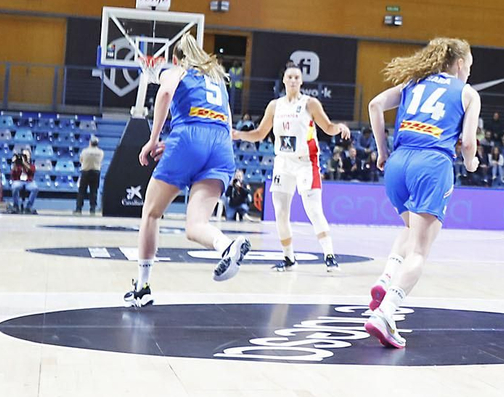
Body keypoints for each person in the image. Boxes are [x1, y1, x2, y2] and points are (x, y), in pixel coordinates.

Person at [364, 37, 482, 348]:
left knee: (408, 228)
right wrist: (471, 163)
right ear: (458, 64)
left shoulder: (413, 82)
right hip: (431, 164)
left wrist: (382, 151)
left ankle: (387, 276)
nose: (468, 73)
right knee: (419, 251)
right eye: (468, 67)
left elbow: (374, 105)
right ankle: (386, 313)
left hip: (398, 162)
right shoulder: (468, 93)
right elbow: (468, 144)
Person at [125, 35, 248, 307]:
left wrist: (154, 139)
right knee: (196, 226)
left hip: (190, 139)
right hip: (221, 146)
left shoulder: (177, 70)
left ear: (177, 58)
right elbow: (222, 123)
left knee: (151, 213)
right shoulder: (218, 80)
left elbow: (165, 93)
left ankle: (143, 287)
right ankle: (226, 245)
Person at [233, 66, 352, 271]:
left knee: (313, 210)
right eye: (290, 77)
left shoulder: (310, 103)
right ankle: (289, 259)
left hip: (306, 162)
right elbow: (261, 133)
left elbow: (328, 127)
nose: (294, 80)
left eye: (297, 77)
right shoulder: (274, 106)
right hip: (283, 163)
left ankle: (329, 255)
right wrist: (239, 134)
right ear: (284, 80)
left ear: (302, 81)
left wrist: (339, 127)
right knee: (280, 212)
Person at [76, 135, 104, 214]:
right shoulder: (100, 152)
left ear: (90, 143)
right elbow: (100, 161)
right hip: (95, 172)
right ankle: (92, 209)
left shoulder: (85, 151)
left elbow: (81, 160)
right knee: (94, 191)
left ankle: (78, 208)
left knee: (82, 191)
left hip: (86, 172)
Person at [8, 148, 38, 213]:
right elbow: (12, 173)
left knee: (35, 188)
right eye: (24, 155)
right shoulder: (18, 164)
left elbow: (32, 171)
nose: (26, 156)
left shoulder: (32, 164)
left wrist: (24, 162)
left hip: (28, 182)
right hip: (18, 181)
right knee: (14, 187)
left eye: (27, 155)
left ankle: (28, 207)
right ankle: (16, 205)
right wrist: (14, 163)